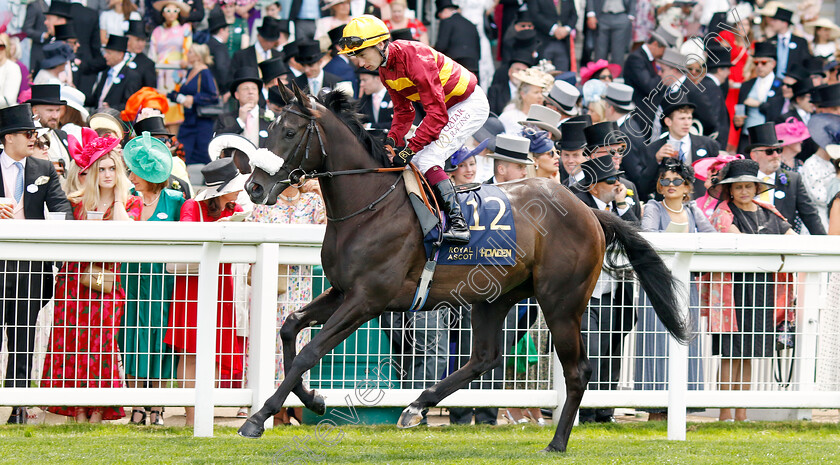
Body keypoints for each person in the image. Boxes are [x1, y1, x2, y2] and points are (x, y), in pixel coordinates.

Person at [338, 15, 490, 244]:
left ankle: (459, 225)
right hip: (447, 107)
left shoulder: (416, 59)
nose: (360, 63)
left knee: (426, 159)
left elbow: (436, 115)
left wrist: (409, 148)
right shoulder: (384, 69)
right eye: (355, 57)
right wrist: (390, 142)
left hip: (469, 103)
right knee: (416, 160)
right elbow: (404, 112)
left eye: (361, 54)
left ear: (380, 44)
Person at [41, 128, 142, 423]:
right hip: (73, 282)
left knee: (102, 344)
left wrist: (119, 201)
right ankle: (75, 410)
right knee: (69, 343)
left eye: (113, 168)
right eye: (102, 169)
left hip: (107, 283)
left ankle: (98, 409)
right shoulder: (74, 201)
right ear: (91, 171)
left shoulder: (130, 202)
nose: (108, 174)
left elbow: (128, 240)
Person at [707, 158, 796, 422]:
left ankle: (742, 414)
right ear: (730, 190)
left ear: (757, 188)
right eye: (738, 187)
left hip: (763, 291)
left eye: (749, 186)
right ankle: (724, 413)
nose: (744, 191)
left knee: (749, 353)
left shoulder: (769, 211)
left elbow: (792, 237)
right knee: (729, 354)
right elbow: (737, 240)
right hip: (732, 292)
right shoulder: (723, 213)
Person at [0, 104, 72, 423]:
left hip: (30, 266)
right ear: (9, 137)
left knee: (23, 336)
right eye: (28, 133)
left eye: (34, 134)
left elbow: (63, 211)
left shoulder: (43, 169)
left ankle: (17, 405)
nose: (33, 139)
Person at [164, 157, 247, 426]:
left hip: (221, 287)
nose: (239, 190)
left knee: (212, 351)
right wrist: (225, 226)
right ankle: (191, 417)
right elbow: (189, 239)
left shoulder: (235, 210)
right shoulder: (192, 206)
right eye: (235, 185)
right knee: (189, 352)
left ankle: (205, 414)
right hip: (190, 288)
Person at [634, 158, 711, 420]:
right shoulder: (654, 207)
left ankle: (681, 411)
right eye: (665, 180)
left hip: (686, 285)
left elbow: (711, 236)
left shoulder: (694, 212)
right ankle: (655, 411)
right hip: (657, 285)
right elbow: (647, 234)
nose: (671, 185)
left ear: (688, 186)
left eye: (677, 180)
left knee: (686, 341)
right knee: (655, 341)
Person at [117, 132, 184, 426]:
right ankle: (136, 405)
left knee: (159, 337)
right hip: (129, 278)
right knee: (129, 335)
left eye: (137, 172)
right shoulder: (126, 200)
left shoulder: (175, 200)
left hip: (162, 281)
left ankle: (156, 405)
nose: (131, 176)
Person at [571, 151, 638, 424]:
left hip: (615, 293)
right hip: (586, 293)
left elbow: (635, 235)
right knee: (592, 353)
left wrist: (623, 207)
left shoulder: (623, 205)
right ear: (593, 185)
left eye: (618, 179)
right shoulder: (578, 204)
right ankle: (585, 413)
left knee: (612, 354)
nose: (617, 185)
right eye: (611, 180)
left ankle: (605, 413)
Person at [746, 122, 825, 235]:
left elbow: (810, 215)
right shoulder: (744, 180)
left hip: (784, 243)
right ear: (754, 155)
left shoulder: (793, 179)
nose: (775, 155)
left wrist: (824, 242)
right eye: (769, 151)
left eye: (778, 150)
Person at [645, 93, 721, 199]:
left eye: (689, 118)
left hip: (701, 203)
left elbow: (719, 176)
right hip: (668, 206)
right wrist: (656, 160)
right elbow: (644, 187)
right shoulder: (654, 148)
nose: (687, 123)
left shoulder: (708, 144)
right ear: (668, 121)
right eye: (682, 118)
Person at [168, 44, 221, 182]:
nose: (188, 53)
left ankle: (213, 181)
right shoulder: (191, 70)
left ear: (198, 55)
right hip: (189, 119)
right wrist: (176, 96)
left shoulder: (204, 72)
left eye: (191, 52)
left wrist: (193, 99)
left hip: (201, 121)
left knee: (205, 153)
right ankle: (181, 180)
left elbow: (213, 96)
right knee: (183, 151)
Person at [734, 42, 786, 154]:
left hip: (768, 139)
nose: (759, 66)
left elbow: (775, 112)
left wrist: (758, 104)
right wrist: (737, 120)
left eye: (763, 63)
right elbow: (740, 107)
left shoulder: (780, 85)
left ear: (773, 64)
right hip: (746, 137)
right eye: (756, 63)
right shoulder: (747, 85)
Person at [150, 1, 193, 127]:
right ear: (163, 13)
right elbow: (153, 51)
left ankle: (175, 140)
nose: (172, 14)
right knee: (162, 101)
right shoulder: (157, 31)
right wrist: (153, 66)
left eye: (175, 11)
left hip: (177, 72)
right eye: (168, 11)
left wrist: (185, 59)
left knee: (176, 101)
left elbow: (187, 48)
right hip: (161, 72)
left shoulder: (185, 29)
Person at [214, 67, 274, 149]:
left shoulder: (273, 118)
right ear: (236, 95)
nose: (250, 92)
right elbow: (218, 143)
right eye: (246, 88)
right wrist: (240, 122)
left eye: (254, 88)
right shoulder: (224, 118)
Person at [25, 85, 73, 175]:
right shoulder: (27, 137)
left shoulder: (62, 135)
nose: (55, 116)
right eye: (50, 110)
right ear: (35, 111)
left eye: (57, 110)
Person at [87, 36, 142, 112]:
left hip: (115, 120)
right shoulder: (105, 73)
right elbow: (95, 99)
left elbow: (130, 104)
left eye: (109, 53)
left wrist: (112, 108)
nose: (105, 55)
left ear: (120, 55)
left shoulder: (131, 76)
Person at [524, 0, 577, 71]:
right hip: (543, 41)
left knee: (563, 73)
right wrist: (554, 29)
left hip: (563, 42)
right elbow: (534, 14)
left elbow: (574, 15)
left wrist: (566, 29)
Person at [761, 6, 811, 79]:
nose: (772, 23)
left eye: (775, 20)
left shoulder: (800, 42)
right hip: (772, 81)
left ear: (784, 23)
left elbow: (805, 62)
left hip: (793, 82)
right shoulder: (770, 41)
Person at [434, 0, 481, 77]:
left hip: (456, 63)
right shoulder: (470, 23)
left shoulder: (446, 21)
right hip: (473, 63)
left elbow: (441, 46)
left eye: (440, 15)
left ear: (445, 11)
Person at [499, 68, 551, 134]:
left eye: (541, 92)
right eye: (536, 92)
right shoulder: (508, 116)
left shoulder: (544, 119)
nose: (540, 96)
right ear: (523, 94)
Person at [585, 0, 634, 65]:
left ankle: (617, 75)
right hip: (602, 15)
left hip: (622, 15)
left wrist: (631, 16)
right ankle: (599, 74)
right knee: (600, 53)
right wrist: (591, 14)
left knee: (618, 54)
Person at [125, 20, 158, 89]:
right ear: (128, 39)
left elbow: (149, 90)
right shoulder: (119, 56)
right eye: (137, 40)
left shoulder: (147, 64)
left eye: (143, 40)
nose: (141, 44)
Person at [557, 120, 589, 187]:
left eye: (575, 155)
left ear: (587, 156)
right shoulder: (564, 183)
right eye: (566, 155)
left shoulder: (591, 185)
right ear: (561, 155)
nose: (570, 161)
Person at [0, 34, 23, 108]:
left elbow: (9, 99)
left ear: (7, 48)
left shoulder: (13, 68)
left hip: (5, 114)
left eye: (1, 46)